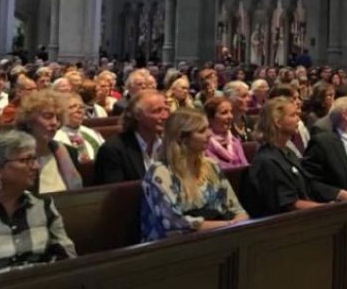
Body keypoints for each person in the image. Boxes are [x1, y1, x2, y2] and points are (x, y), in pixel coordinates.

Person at [140, 109, 248, 241]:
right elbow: (175, 224)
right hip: (173, 248)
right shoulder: (160, 172)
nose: (209, 134)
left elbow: (237, 210)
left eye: (208, 128)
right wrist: (228, 225)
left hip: (216, 238)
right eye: (202, 131)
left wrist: (235, 223)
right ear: (181, 137)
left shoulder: (211, 166)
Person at [0, 131, 76, 274]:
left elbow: (67, 256)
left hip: (41, 288)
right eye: (26, 160)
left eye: (35, 159)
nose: (36, 166)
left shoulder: (43, 205)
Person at [243, 98, 344, 217]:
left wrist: (339, 194)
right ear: (277, 122)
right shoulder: (267, 161)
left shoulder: (287, 151)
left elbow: (309, 184)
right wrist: (327, 209)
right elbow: (290, 204)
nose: (298, 119)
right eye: (293, 115)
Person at [93, 90, 170, 184]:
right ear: (137, 115)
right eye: (157, 111)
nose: (165, 116)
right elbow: (114, 193)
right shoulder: (113, 150)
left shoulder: (169, 144)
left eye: (166, 110)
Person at [15, 91, 83, 193]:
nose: (55, 123)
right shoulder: (14, 156)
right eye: (47, 116)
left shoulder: (70, 153)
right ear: (28, 120)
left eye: (58, 118)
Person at [54, 92, 105, 162]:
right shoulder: (55, 137)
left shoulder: (92, 132)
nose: (79, 110)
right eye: (72, 107)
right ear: (61, 112)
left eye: (81, 107)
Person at [203, 96, 249, 168]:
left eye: (231, 112)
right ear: (210, 118)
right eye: (224, 113)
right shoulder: (204, 145)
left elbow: (246, 167)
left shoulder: (235, 141)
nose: (230, 116)